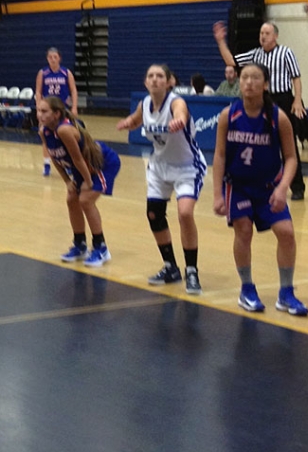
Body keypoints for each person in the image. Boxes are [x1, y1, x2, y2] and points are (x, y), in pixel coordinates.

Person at [212, 62, 307, 316]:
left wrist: (283, 187)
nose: (249, 82)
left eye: (255, 78)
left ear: (265, 84)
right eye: (245, 78)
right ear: (239, 83)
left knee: (286, 233)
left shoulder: (278, 117)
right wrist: (217, 195)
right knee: (243, 231)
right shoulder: (228, 115)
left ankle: (286, 293)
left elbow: (290, 158)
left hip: (268, 188)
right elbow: (220, 156)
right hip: (239, 187)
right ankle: (247, 289)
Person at [117, 63, 207, 294]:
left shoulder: (176, 102)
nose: (155, 79)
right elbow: (137, 120)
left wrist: (179, 120)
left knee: (185, 213)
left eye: (159, 76)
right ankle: (170, 267)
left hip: (187, 167)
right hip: (159, 167)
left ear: (169, 82)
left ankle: (192, 271)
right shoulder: (145, 103)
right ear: (145, 82)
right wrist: (128, 122)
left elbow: (181, 113)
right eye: (150, 76)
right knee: (153, 214)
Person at [214, 20, 307, 199]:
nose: (263, 36)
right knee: (262, 141)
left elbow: (296, 77)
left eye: (267, 33)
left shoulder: (286, 52)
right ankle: (266, 180)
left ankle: (297, 187)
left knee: (289, 144)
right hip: (262, 99)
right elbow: (231, 61)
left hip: (283, 97)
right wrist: (220, 41)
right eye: (261, 33)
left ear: (275, 36)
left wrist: (297, 100)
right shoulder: (255, 54)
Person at [39, 97, 119, 268]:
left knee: (85, 200)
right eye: (39, 111)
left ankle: (101, 248)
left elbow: (78, 159)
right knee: (71, 200)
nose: (40, 115)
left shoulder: (64, 130)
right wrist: (68, 181)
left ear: (56, 114)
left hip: (101, 164)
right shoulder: (44, 131)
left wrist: (88, 182)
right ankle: (80, 244)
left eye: (44, 111)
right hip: (81, 168)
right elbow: (54, 157)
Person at [35, 48, 78, 175]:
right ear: (47, 59)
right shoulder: (43, 73)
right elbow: (38, 91)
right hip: (48, 110)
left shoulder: (66, 73)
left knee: (66, 136)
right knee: (46, 136)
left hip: (62, 109)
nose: (53, 59)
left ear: (59, 58)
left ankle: (68, 163)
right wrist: (39, 108)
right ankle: (47, 164)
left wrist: (74, 107)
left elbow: (73, 90)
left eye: (55, 57)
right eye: (50, 57)